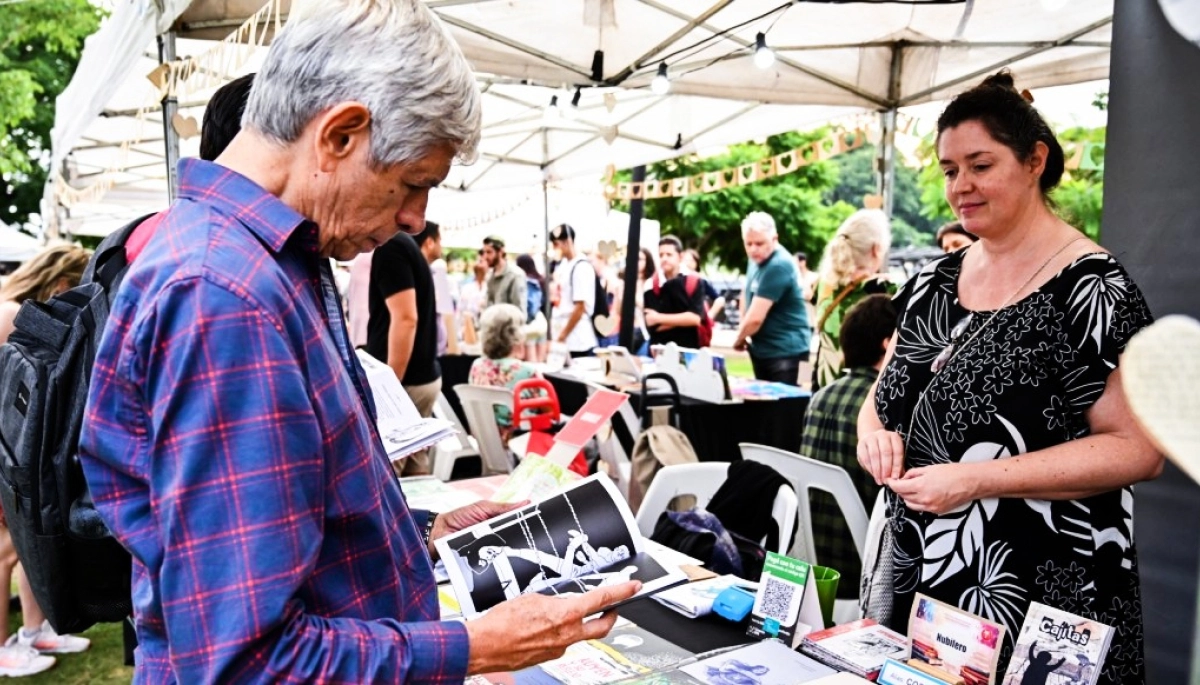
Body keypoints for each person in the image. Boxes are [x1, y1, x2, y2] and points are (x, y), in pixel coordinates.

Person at [78, 2, 638, 681]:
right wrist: (478, 645)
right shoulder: (226, 297)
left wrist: (412, 538)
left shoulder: (268, 261)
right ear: (340, 134)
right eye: (411, 184)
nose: (414, 218)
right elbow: (245, 662)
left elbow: (288, 525)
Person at [856, 71, 1160, 683]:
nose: (960, 186)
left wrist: (974, 480)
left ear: (1034, 161)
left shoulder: (1093, 289)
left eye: (979, 165)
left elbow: (1139, 450)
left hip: (1043, 592)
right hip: (922, 578)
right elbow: (882, 397)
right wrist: (874, 435)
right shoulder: (933, 282)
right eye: (948, 170)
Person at [0, 245, 93, 678]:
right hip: (6, 444)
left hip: (13, 445)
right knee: (3, 551)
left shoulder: (16, 310)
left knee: (26, 541)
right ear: (60, 283)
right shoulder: (9, 313)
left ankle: (34, 631)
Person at [799, 294, 896, 601]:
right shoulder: (887, 407)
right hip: (864, 569)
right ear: (888, 344)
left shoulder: (820, 397)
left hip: (809, 555)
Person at [368, 221, 447, 476]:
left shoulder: (392, 247)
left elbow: (405, 319)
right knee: (415, 467)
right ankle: (428, 516)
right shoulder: (403, 247)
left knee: (390, 473)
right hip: (420, 376)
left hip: (407, 380)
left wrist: (390, 385)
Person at [812, 209, 896, 391]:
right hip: (862, 391)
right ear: (876, 249)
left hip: (824, 388)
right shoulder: (884, 288)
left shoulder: (824, 285)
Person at [733, 211, 811, 385]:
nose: (753, 249)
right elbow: (746, 292)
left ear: (774, 238)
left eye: (760, 243)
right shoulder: (756, 259)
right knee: (767, 408)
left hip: (790, 352)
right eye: (749, 243)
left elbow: (755, 320)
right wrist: (742, 327)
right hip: (767, 350)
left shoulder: (779, 265)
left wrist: (739, 338)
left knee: (792, 407)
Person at [469, 303, 542, 435]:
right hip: (523, 443)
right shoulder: (527, 371)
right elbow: (549, 412)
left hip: (486, 440)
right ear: (516, 335)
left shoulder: (477, 366)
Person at [644, 235, 705, 348]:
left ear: (680, 257)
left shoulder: (694, 281)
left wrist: (658, 317)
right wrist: (683, 319)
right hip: (659, 348)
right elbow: (652, 325)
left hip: (688, 347)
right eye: (661, 255)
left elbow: (695, 319)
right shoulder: (651, 284)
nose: (664, 259)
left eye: (669, 254)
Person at [549, 224, 599, 357]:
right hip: (563, 335)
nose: (555, 248)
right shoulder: (563, 265)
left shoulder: (581, 266)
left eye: (556, 244)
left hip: (577, 339)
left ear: (568, 242)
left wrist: (563, 335)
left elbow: (580, 306)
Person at [515, 253, 548, 362]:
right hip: (541, 324)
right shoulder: (541, 280)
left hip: (529, 326)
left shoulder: (525, 282)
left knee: (531, 363)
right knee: (541, 364)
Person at [681, 247, 726, 325]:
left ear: (696, 263)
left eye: (691, 260)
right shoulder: (676, 280)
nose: (688, 263)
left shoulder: (700, 281)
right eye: (685, 260)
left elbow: (720, 299)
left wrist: (710, 316)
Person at [483, 235, 526, 310]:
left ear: (500, 252)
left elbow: (519, 311)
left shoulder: (515, 275)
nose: (485, 256)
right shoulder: (490, 276)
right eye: (484, 252)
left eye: (489, 252)